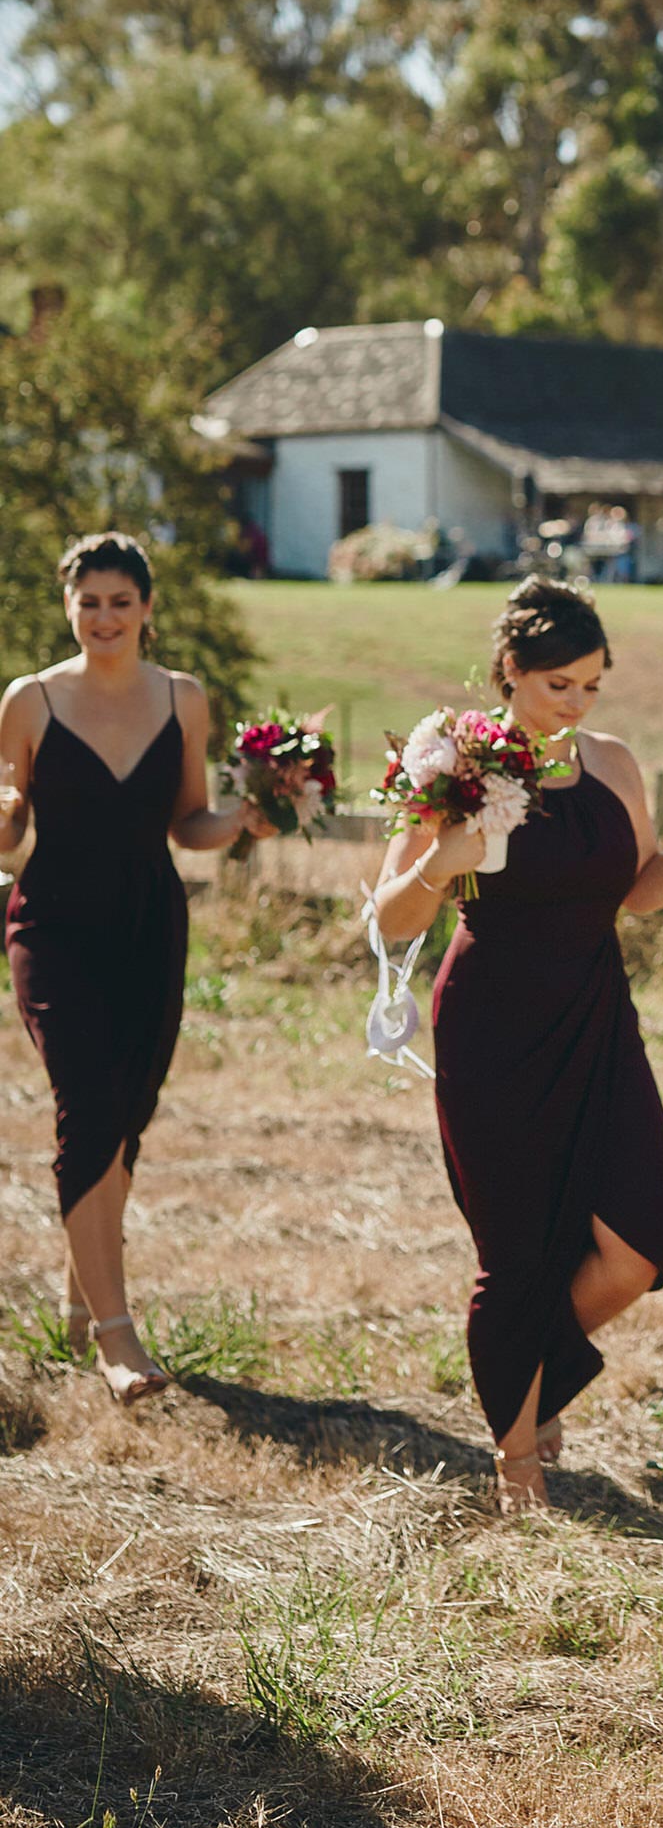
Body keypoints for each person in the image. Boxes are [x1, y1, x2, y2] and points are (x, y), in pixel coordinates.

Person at [369, 576, 663, 1514]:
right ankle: (518, 1466)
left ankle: (534, 1371)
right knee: (514, 1253)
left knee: (647, 1232)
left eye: (593, 685)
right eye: (561, 683)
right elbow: (391, 918)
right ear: (510, 672)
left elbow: (635, 890)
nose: (579, 703)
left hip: (597, 1013)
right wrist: (441, 863)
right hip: (491, 1024)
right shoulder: (458, 765)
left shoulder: (613, 762)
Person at [0, 532, 276, 1403]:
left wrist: (239, 822)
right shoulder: (31, 700)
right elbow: (9, 840)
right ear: (68, 607)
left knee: (128, 1117)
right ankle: (117, 1342)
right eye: (89, 602)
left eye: (121, 602)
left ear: (148, 610)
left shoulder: (183, 699)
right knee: (89, 1106)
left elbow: (186, 821)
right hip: (54, 924)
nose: (105, 618)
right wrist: (3, 813)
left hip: (151, 927)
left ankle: (87, 1293)